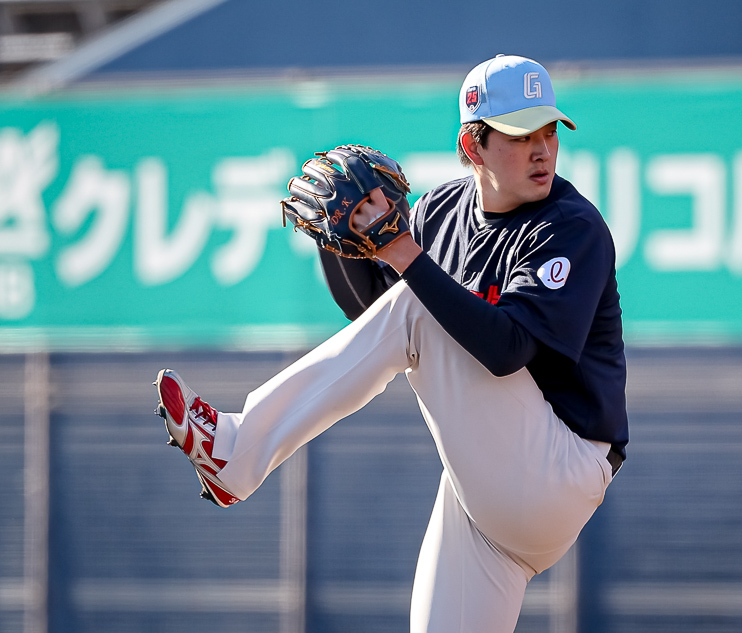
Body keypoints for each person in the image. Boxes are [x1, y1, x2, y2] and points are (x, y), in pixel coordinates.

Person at [154, 54, 628, 632]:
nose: (542, 149)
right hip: (483, 504)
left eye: (549, 131)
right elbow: (372, 322)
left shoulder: (570, 227)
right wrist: (344, 238)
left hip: (559, 468)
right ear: (473, 147)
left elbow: (506, 351)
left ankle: (237, 449)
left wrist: (401, 251)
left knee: (419, 305)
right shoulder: (442, 211)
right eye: (520, 133)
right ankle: (238, 454)